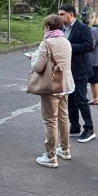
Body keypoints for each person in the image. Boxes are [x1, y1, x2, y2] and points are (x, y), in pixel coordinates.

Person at [30, 13, 75, 167]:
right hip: (65, 85)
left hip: (51, 87)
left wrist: (33, 57)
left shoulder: (47, 43)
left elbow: (38, 67)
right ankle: (65, 149)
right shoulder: (66, 41)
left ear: (48, 27)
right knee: (63, 117)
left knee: (50, 120)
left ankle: (50, 156)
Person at [58, 4, 95, 143]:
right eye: (59, 14)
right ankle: (75, 126)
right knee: (71, 100)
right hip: (67, 70)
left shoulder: (82, 28)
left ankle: (89, 128)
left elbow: (89, 46)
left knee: (81, 99)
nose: (60, 17)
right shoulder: (62, 28)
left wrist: (68, 46)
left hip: (80, 69)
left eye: (62, 14)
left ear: (71, 14)